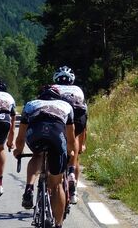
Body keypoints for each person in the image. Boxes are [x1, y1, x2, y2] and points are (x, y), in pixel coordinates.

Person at [13, 85, 76, 228]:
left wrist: (18, 150)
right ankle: (58, 224)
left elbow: (21, 136)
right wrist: (71, 152)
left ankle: (29, 188)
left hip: (35, 133)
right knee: (57, 185)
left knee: (37, 154)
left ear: (40, 96)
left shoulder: (31, 105)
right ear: (57, 97)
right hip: (56, 135)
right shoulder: (66, 106)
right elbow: (71, 139)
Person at [52, 65, 88, 204]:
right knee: (76, 145)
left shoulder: (53, 88)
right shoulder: (77, 89)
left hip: (57, 118)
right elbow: (84, 115)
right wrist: (83, 143)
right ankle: (73, 189)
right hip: (78, 118)